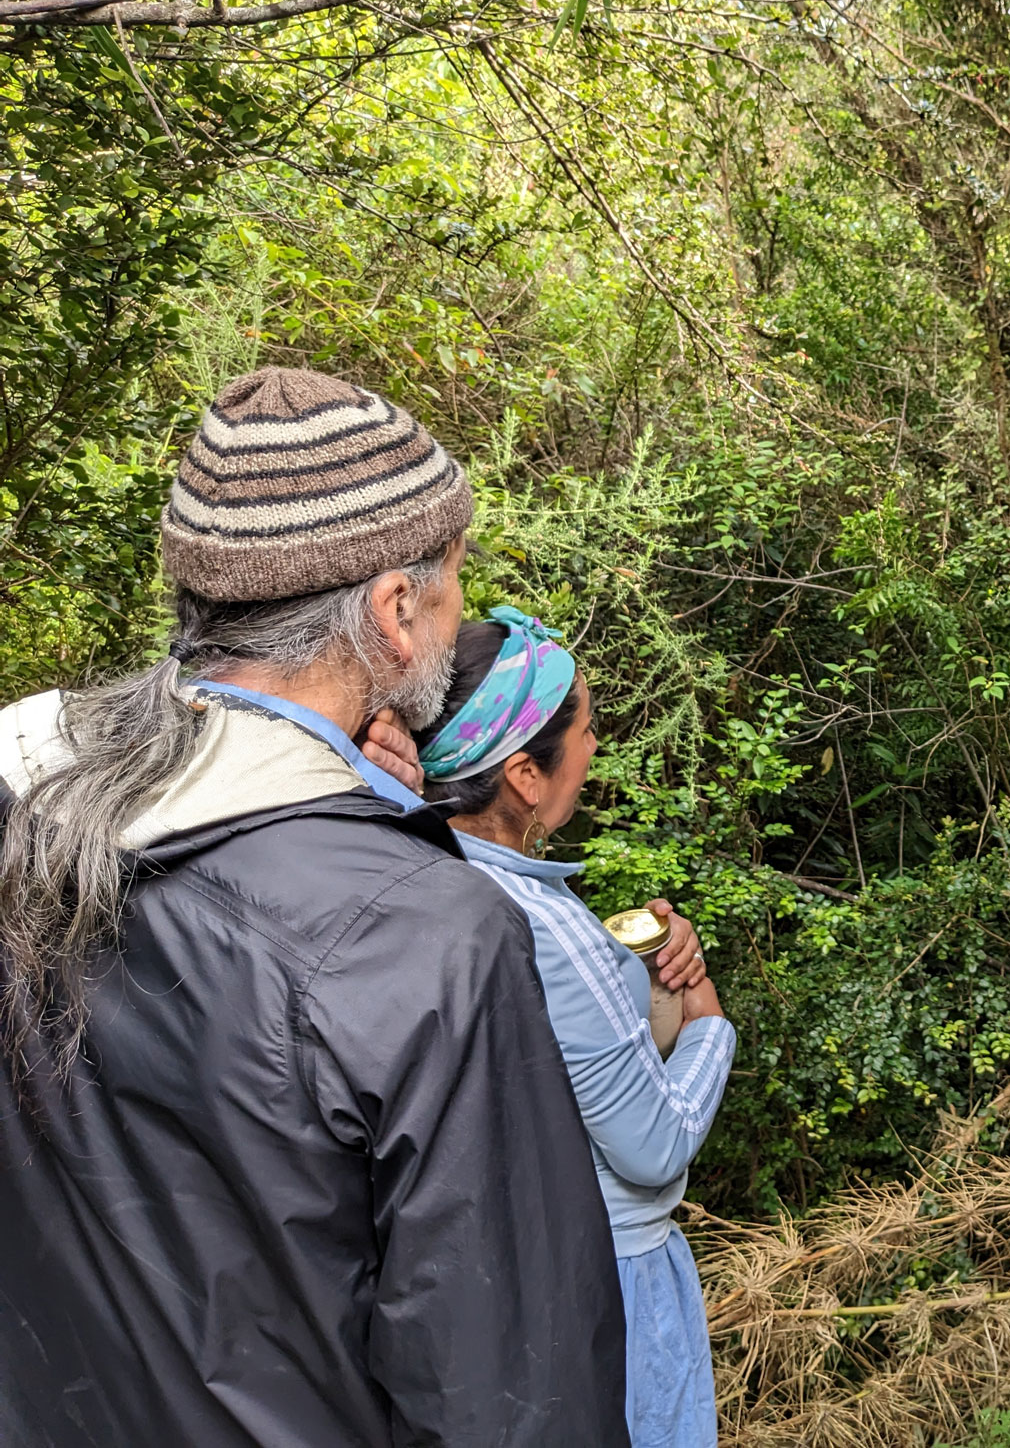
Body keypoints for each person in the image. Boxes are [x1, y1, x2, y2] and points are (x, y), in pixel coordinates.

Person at [0, 368, 632, 1445]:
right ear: (394, 611)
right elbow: (511, 1393)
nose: (455, 615)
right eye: (452, 585)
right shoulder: (423, 931)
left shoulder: (29, 801)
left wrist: (361, 803)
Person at [418, 611, 737, 1448]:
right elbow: (654, 1146)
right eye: (589, 729)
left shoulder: (420, 876)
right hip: (610, 1285)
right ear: (524, 773)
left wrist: (636, 971)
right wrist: (706, 1020)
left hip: (477, 1284)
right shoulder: (537, 923)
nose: (595, 749)